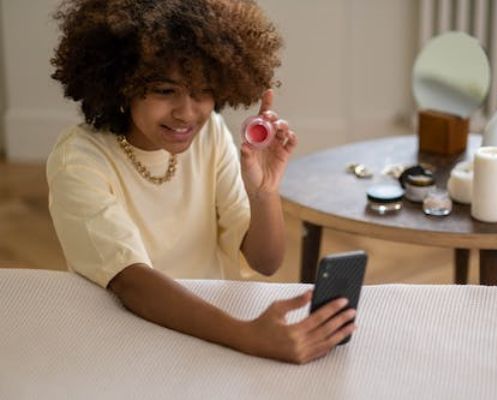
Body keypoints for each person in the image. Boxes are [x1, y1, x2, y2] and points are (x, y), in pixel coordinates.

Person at [47, 0, 356, 364]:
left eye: (202, 91)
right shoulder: (79, 160)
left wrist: (264, 191)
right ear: (121, 84)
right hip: (127, 333)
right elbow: (130, 281)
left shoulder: (210, 135)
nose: (186, 113)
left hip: (212, 322)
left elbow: (265, 261)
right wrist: (249, 336)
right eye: (165, 91)